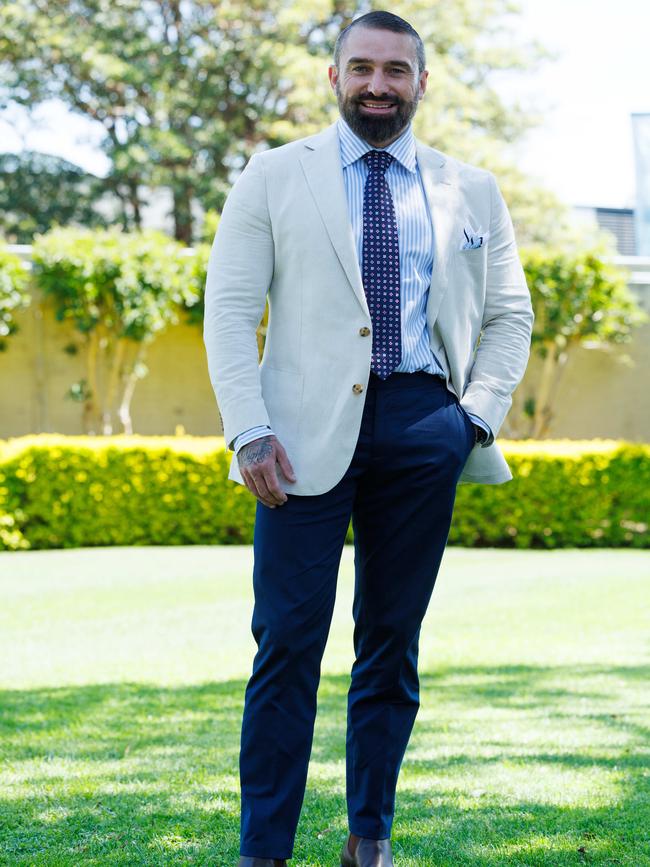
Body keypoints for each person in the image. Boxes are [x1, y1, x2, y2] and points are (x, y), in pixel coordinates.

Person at [203, 11, 533, 867]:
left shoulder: (475, 189)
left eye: (396, 70)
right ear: (334, 78)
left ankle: (369, 837)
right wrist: (248, 431)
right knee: (286, 643)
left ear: (422, 83)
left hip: (427, 428)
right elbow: (230, 312)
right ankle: (263, 850)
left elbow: (508, 317)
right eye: (362, 68)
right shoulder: (275, 175)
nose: (378, 85)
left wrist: (473, 419)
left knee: (392, 644)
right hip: (298, 440)